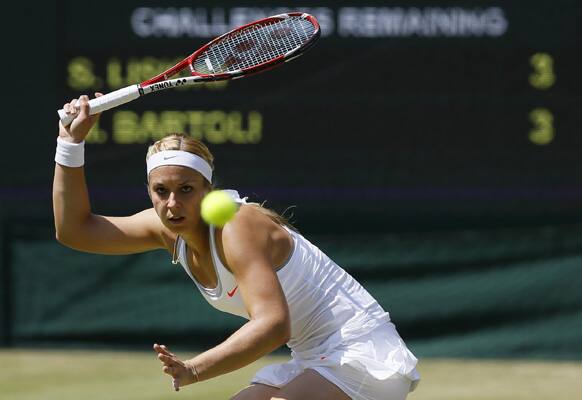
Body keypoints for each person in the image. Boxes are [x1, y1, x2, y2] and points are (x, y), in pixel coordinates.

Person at [53, 94, 420, 400]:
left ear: (208, 190)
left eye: (186, 190)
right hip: (311, 356)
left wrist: (194, 368)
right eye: (160, 191)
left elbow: (273, 324)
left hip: (360, 354)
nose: (172, 204)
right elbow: (75, 231)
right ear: (150, 192)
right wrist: (70, 144)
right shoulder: (163, 226)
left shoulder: (236, 225)